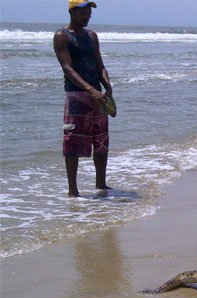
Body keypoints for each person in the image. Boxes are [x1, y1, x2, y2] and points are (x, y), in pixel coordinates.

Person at [53, 0, 112, 197]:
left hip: (98, 96)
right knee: (73, 142)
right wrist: (89, 90)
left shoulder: (92, 36)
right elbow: (68, 69)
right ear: (72, 12)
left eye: (89, 14)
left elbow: (99, 64)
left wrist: (106, 84)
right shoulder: (62, 36)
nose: (87, 17)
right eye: (83, 14)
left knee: (101, 141)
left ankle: (101, 184)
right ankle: (73, 191)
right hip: (76, 96)